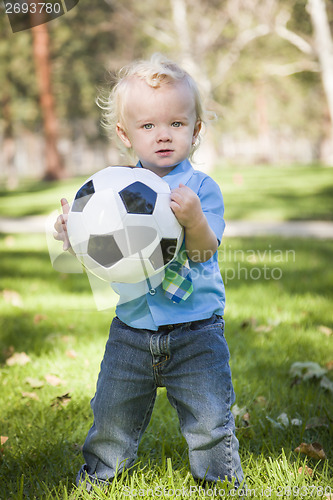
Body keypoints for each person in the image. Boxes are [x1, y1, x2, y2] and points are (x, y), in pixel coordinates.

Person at [54, 53, 245, 491]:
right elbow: (96, 252)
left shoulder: (200, 189)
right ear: (125, 134)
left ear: (196, 131)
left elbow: (203, 253)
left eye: (177, 124)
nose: (163, 135)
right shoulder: (112, 189)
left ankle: (220, 481)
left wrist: (194, 220)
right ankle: (101, 476)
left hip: (196, 332)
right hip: (132, 330)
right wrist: (72, 231)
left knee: (210, 418)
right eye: (148, 126)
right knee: (111, 414)